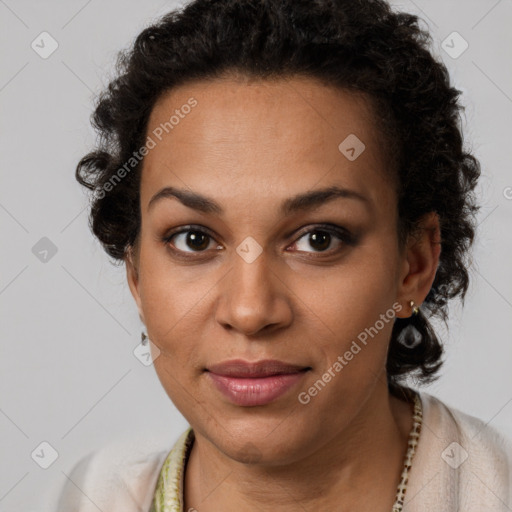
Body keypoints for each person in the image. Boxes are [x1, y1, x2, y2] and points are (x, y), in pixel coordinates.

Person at [56, 0, 512, 510]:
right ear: (136, 274)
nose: (250, 312)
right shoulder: (91, 496)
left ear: (414, 266)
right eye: (194, 239)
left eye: (320, 239)